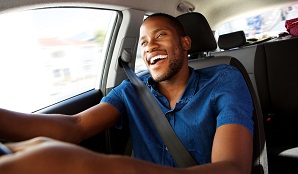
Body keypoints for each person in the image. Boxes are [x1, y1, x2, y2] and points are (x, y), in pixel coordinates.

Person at [0, 13, 254, 174]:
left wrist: (96, 166)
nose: (150, 46)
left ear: (185, 43)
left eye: (161, 35)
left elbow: (233, 167)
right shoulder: (132, 90)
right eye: (143, 42)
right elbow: (75, 125)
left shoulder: (224, 79)